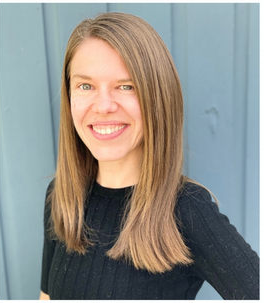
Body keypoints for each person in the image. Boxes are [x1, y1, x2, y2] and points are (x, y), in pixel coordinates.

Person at [40, 12, 259, 300]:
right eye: (86, 86)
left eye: (126, 86)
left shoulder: (186, 211)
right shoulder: (61, 197)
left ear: (158, 97)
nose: (103, 105)